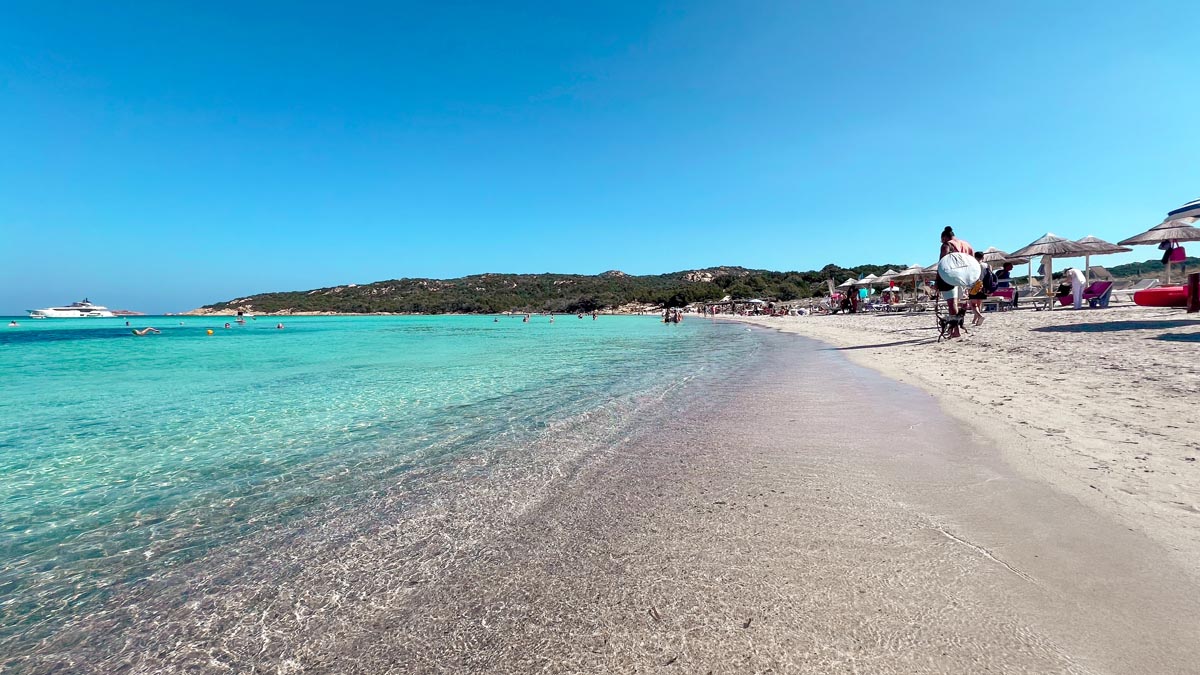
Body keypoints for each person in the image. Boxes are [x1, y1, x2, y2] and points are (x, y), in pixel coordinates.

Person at [936, 226, 975, 338]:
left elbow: (942, 264)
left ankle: (956, 331)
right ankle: (956, 328)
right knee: (959, 304)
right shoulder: (966, 245)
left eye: (941, 239)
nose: (941, 242)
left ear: (944, 237)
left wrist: (937, 281)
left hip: (951, 277)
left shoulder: (946, 245)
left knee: (952, 304)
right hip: (965, 277)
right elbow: (972, 262)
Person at [967, 251, 995, 326]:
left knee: (973, 304)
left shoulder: (972, 265)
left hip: (974, 286)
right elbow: (991, 277)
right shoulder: (987, 266)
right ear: (983, 257)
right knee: (979, 304)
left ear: (974, 257)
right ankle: (975, 320)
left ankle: (979, 316)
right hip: (984, 286)